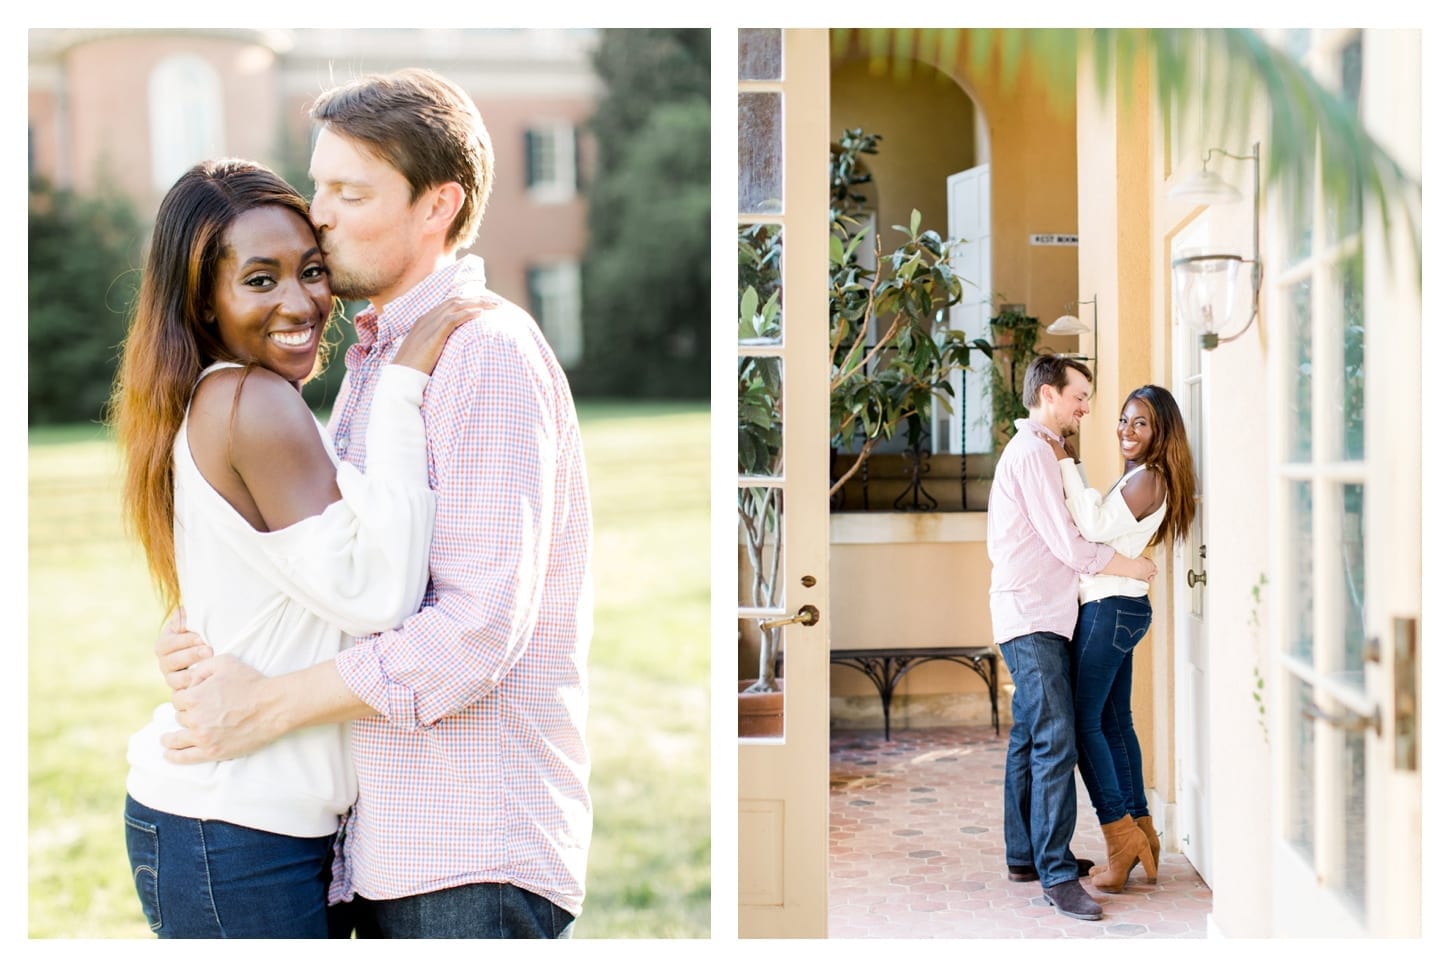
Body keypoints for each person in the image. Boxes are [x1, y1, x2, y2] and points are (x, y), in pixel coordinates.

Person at [153, 67, 594, 940]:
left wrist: (267, 701)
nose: (320, 214)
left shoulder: (481, 353)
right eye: (318, 186)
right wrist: (206, 631)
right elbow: (342, 564)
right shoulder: (378, 357)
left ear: (438, 207)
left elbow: (473, 632)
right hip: (391, 849)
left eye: (350, 193)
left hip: (469, 853)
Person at [110, 158, 488, 938]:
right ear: (204, 301)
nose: (301, 301)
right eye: (260, 279)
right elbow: (380, 591)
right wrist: (403, 389)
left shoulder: (224, 397)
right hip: (233, 829)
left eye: (310, 271)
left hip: (234, 825)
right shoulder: (254, 402)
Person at [985, 354, 1157, 922]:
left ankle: (1023, 856)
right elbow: (1070, 542)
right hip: (1032, 616)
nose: (1087, 406)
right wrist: (1128, 565)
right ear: (1049, 394)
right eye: (1080, 395)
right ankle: (1057, 876)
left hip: (1043, 613)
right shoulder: (1035, 451)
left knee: (1032, 733)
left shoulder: (1042, 451)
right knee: (1058, 734)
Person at [1040, 384, 1196, 893]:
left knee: (1086, 727)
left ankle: (1120, 840)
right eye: (1124, 420)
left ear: (1160, 432)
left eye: (1141, 423)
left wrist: (1065, 459)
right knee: (1114, 722)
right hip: (1122, 609)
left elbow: (1089, 524)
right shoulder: (1142, 476)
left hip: (1109, 610)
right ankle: (1141, 831)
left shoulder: (1148, 478)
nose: (1127, 431)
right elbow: (1104, 530)